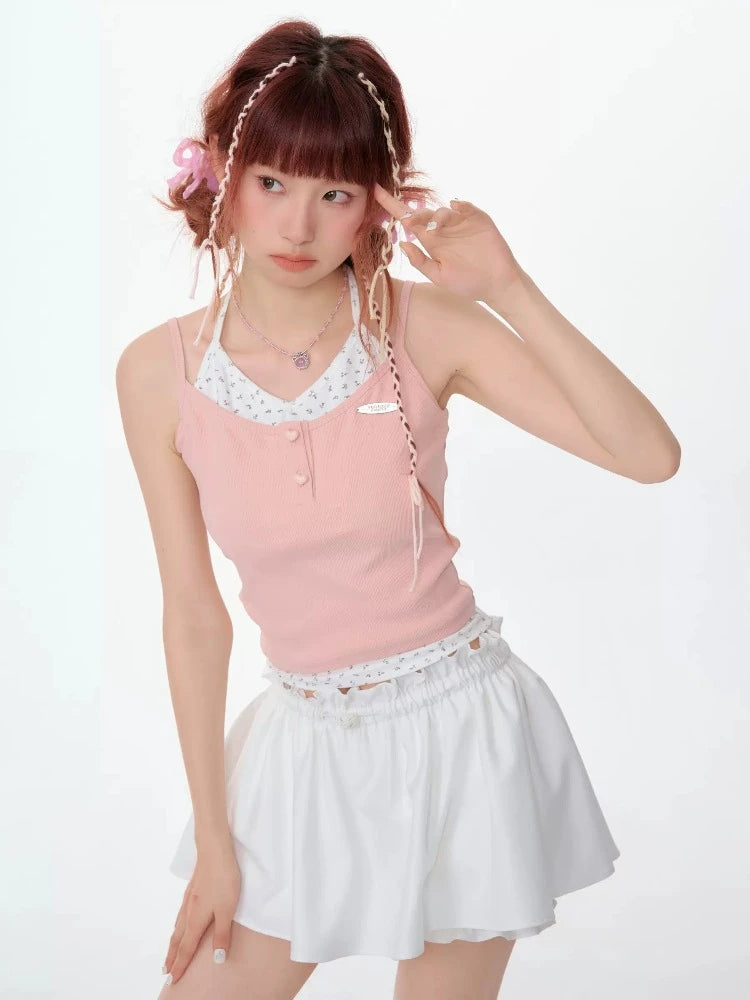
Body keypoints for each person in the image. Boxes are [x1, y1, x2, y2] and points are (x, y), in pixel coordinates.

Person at [116, 18, 680, 1000]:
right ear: (224, 176)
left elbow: (649, 455)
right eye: (272, 182)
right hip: (301, 747)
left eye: (334, 192)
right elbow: (194, 615)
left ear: (377, 202)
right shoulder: (158, 373)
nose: (298, 227)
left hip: (461, 735)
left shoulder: (424, 329)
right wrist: (213, 839)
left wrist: (508, 287)